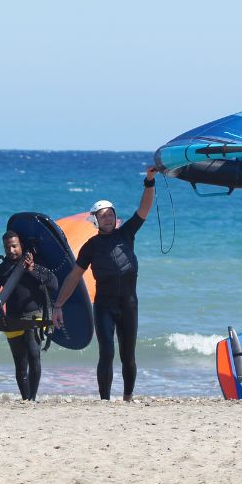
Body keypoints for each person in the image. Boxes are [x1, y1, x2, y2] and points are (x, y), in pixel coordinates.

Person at [52, 167, 156, 402]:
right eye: (103, 215)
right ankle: (105, 401)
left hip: (129, 304)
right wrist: (58, 305)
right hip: (104, 306)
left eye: (110, 214)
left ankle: (128, 397)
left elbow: (144, 209)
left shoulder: (127, 233)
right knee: (107, 352)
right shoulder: (90, 246)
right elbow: (74, 277)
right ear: (96, 220)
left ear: (114, 217)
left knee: (128, 355)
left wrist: (149, 181)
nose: (107, 218)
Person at [0, 231, 57, 401]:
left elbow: (54, 284)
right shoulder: (2, 269)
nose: (11, 250)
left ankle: (32, 398)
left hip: (34, 314)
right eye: (7, 247)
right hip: (12, 319)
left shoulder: (34, 265)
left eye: (14, 246)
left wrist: (32, 270)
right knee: (20, 363)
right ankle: (26, 399)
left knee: (34, 354)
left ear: (21, 245)